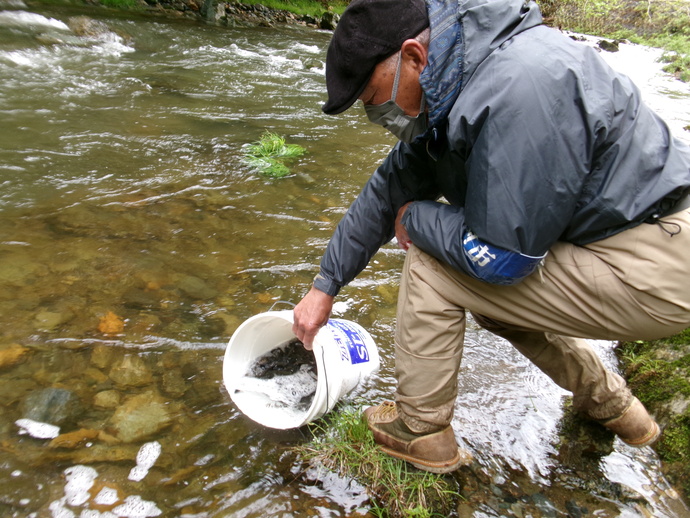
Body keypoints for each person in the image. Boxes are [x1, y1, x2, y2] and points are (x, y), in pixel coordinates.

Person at [292, 0, 690, 474]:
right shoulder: (458, 87)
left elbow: (501, 256)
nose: (378, 116)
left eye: (375, 100)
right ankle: (617, 409)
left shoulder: (519, 85)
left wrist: (414, 220)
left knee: (434, 263)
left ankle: (420, 431)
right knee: (486, 294)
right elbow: (386, 191)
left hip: (659, 264)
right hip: (627, 243)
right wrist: (325, 285)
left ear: (416, 57)